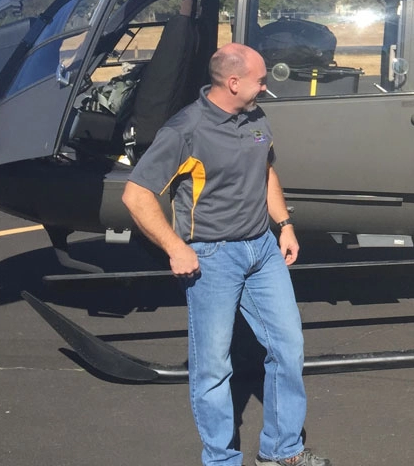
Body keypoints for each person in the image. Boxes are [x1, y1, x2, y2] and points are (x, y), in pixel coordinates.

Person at [122, 43, 330, 466]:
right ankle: (220, 459)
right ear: (233, 82)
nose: (267, 85)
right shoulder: (186, 130)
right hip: (212, 258)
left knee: (288, 349)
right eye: (260, 78)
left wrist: (284, 224)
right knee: (214, 367)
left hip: (263, 251)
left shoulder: (255, 117)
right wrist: (175, 246)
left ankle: (282, 450)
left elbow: (265, 169)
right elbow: (135, 194)